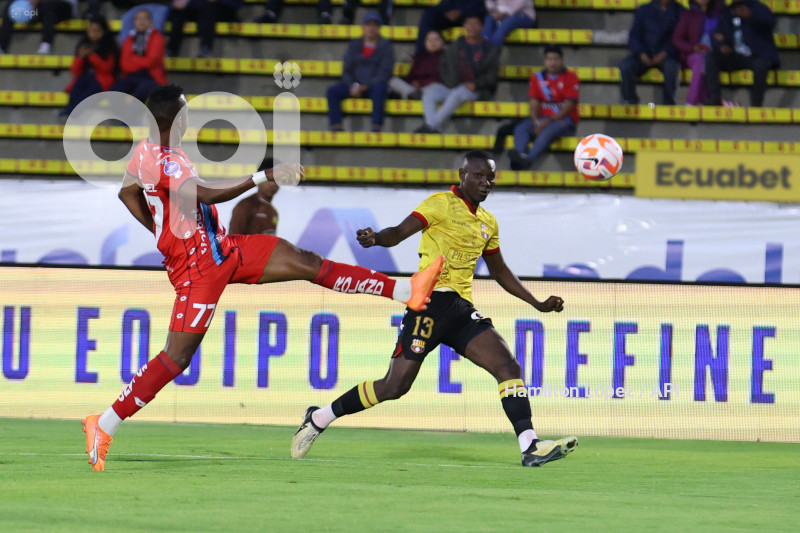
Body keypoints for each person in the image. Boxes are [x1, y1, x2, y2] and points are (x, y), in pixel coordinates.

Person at [82, 84, 444, 471]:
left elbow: (127, 193)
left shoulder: (145, 152)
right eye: (187, 112)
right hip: (196, 268)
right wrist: (263, 175)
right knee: (177, 357)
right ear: (172, 118)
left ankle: (405, 289)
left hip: (222, 248)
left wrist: (159, 231)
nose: (192, 117)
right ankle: (103, 423)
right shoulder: (168, 160)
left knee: (305, 261)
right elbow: (204, 196)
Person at [291, 150, 578, 468]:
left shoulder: (488, 223)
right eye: (478, 176)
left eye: (490, 177)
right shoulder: (440, 203)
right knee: (394, 387)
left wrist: (536, 303)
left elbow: (499, 271)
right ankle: (319, 417)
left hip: (460, 309)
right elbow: (399, 233)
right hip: (428, 304)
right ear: (462, 175)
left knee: (508, 367)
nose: (485, 183)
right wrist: (376, 238)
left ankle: (530, 447)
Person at [415, 15, 500, 134]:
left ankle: (430, 125)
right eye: (468, 23)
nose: (471, 26)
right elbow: (443, 63)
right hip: (453, 84)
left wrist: (475, 84)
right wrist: (448, 80)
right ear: (464, 26)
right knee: (430, 93)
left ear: (482, 27)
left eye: (475, 24)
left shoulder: (490, 49)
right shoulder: (458, 43)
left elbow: (492, 76)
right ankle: (436, 128)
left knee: (458, 93)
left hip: (475, 89)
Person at [507, 44, 580, 171]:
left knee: (548, 131)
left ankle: (529, 160)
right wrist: (536, 121)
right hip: (542, 118)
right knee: (521, 128)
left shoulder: (571, 78)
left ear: (562, 60)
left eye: (556, 59)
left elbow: (568, 106)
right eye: (549, 59)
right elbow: (534, 102)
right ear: (545, 61)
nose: (553, 62)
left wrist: (547, 122)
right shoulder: (537, 78)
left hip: (565, 121)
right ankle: (519, 155)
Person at [326, 12, 395, 132]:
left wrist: (365, 86)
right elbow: (347, 68)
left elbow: (385, 71)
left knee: (381, 88)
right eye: (368, 25)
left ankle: (376, 125)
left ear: (379, 28)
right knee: (332, 91)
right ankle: (336, 124)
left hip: (373, 86)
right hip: (354, 85)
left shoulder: (386, 46)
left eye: (374, 25)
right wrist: (354, 86)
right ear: (363, 26)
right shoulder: (354, 44)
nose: (371, 28)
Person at [704, 0, 778, 108]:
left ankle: (756, 105)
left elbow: (771, 22)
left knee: (761, 65)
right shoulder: (728, 11)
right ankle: (715, 98)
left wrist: (751, 16)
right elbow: (719, 33)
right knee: (711, 57)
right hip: (734, 55)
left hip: (755, 55)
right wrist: (722, 44)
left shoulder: (758, 7)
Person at [619, 0, 684, 106]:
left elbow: (678, 38)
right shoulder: (643, 10)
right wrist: (641, 53)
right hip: (644, 54)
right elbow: (634, 36)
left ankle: (668, 102)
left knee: (672, 68)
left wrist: (664, 53)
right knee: (626, 66)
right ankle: (629, 100)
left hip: (666, 55)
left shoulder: (680, 12)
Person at [60, 14, 118, 118]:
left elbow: (107, 69)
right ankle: (70, 111)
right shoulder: (83, 44)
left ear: (104, 32)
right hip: (85, 77)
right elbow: (75, 71)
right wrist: (80, 57)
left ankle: (71, 113)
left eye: (97, 31)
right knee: (77, 86)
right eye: (91, 30)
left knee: (90, 90)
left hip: (102, 80)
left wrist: (92, 56)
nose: (93, 34)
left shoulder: (110, 45)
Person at [110, 8, 167, 102]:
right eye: (138, 19)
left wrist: (133, 58)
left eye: (145, 18)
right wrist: (142, 60)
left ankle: (132, 117)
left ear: (151, 21)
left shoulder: (157, 37)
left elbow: (152, 61)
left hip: (151, 77)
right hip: (131, 76)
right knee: (113, 92)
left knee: (141, 92)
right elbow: (124, 65)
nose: (142, 21)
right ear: (134, 22)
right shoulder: (129, 39)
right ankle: (122, 116)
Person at [672, 0, 722, 106]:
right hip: (692, 53)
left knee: (710, 60)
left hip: (716, 52)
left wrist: (722, 38)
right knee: (700, 60)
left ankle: (704, 100)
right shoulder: (687, 15)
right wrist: (692, 48)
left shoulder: (719, 13)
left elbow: (728, 33)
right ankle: (691, 101)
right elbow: (677, 39)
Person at [167, 0, 242, 58]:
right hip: (199, 6)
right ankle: (171, 50)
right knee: (178, 12)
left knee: (208, 8)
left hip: (222, 7)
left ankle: (206, 48)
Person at [0, 0, 78, 54]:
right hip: (38, 10)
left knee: (47, 6)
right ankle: (2, 47)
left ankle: (46, 44)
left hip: (63, 9)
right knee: (11, 8)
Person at [228, 157, 279, 235]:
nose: (273, 184)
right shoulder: (245, 206)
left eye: (277, 179)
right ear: (258, 179)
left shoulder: (274, 212)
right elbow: (232, 239)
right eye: (269, 179)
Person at [388, 30, 444, 100]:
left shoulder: (446, 57)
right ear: (425, 43)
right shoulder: (420, 57)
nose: (432, 43)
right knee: (392, 80)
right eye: (429, 40)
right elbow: (411, 75)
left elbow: (439, 77)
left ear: (442, 42)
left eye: (436, 39)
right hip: (416, 90)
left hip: (434, 89)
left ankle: (410, 95)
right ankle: (411, 94)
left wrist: (421, 83)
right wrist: (412, 82)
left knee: (434, 86)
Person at [414, 0, 486, 54]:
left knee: (477, 19)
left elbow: (481, 5)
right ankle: (421, 57)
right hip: (451, 8)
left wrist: (461, 12)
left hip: (472, 11)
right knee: (429, 15)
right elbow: (444, 5)